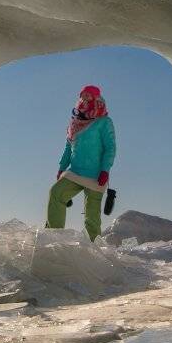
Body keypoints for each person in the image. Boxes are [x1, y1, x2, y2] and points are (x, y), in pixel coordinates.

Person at [46, 84, 116, 241]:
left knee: (92, 217)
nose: (85, 99)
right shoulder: (74, 123)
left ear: (96, 98)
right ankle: (52, 239)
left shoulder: (104, 121)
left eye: (88, 96)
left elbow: (110, 148)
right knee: (56, 193)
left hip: (96, 174)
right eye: (83, 96)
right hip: (75, 171)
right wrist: (61, 167)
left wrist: (105, 169)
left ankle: (94, 251)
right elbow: (68, 147)